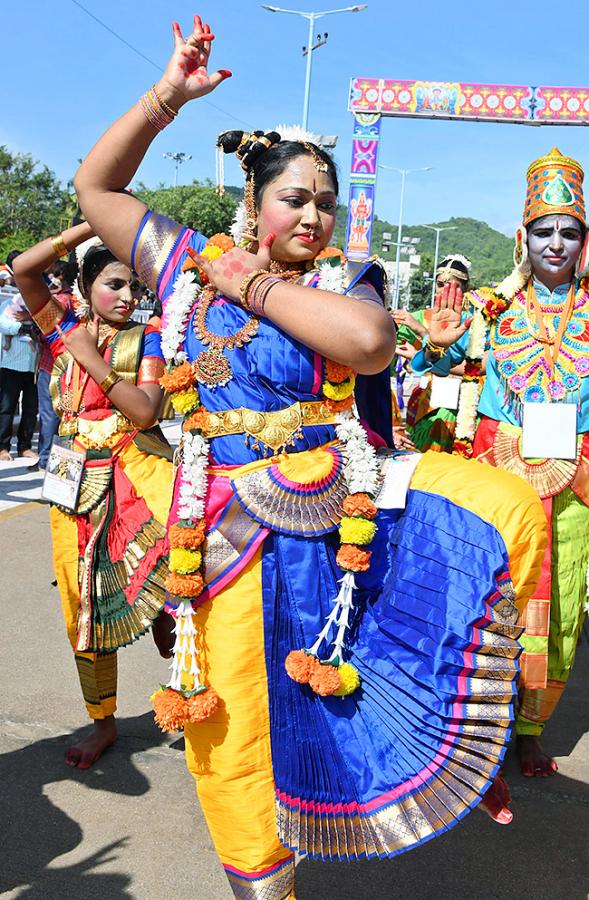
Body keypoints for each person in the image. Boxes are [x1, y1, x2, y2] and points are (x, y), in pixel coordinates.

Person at [72, 15, 546, 896]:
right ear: (251, 205)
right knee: (236, 728)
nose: (314, 213)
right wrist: (166, 96)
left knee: (503, 508)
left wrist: (248, 284)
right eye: (294, 198)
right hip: (222, 530)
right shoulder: (183, 261)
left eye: (324, 200)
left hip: (334, 513)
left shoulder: (339, 281)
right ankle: (263, 885)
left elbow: (368, 343)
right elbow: (96, 188)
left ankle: (458, 732)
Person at [412, 147, 589, 778]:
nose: (556, 243)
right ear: (523, 236)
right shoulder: (492, 311)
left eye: (570, 232)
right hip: (499, 475)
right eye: (544, 231)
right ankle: (479, 721)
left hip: (576, 486)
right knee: (494, 599)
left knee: (559, 606)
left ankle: (530, 726)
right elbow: (430, 368)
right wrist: (434, 348)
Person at [13, 222, 175, 769]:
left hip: (136, 472)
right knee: (82, 606)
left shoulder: (147, 336)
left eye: (134, 286)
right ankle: (102, 721)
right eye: (113, 285)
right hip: (72, 476)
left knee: (167, 592)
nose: (128, 297)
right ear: (83, 288)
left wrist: (96, 363)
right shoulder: (60, 329)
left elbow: (147, 410)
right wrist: (92, 221)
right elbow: (23, 269)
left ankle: (193, 696)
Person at [397, 256, 475, 452]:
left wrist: (422, 332)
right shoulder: (418, 316)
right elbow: (392, 347)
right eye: (440, 284)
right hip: (425, 399)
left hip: (460, 401)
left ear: (465, 289)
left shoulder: (473, 322)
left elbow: (475, 369)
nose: (444, 290)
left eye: (453, 286)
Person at [36, 260, 76, 470]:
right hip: (70, 367)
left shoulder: (59, 301)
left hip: (50, 364)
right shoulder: (78, 301)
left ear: (60, 276)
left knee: (48, 414)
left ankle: (45, 459)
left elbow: (46, 333)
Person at [0, 286, 39, 463]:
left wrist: (30, 318)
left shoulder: (38, 307)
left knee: (31, 409)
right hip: (11, 365)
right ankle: (2, 447)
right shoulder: (9, 303)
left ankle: (25, 446)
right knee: (6, 408)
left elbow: (45, 326)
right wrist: (23, 327)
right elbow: (3, 325)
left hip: (33, 367)